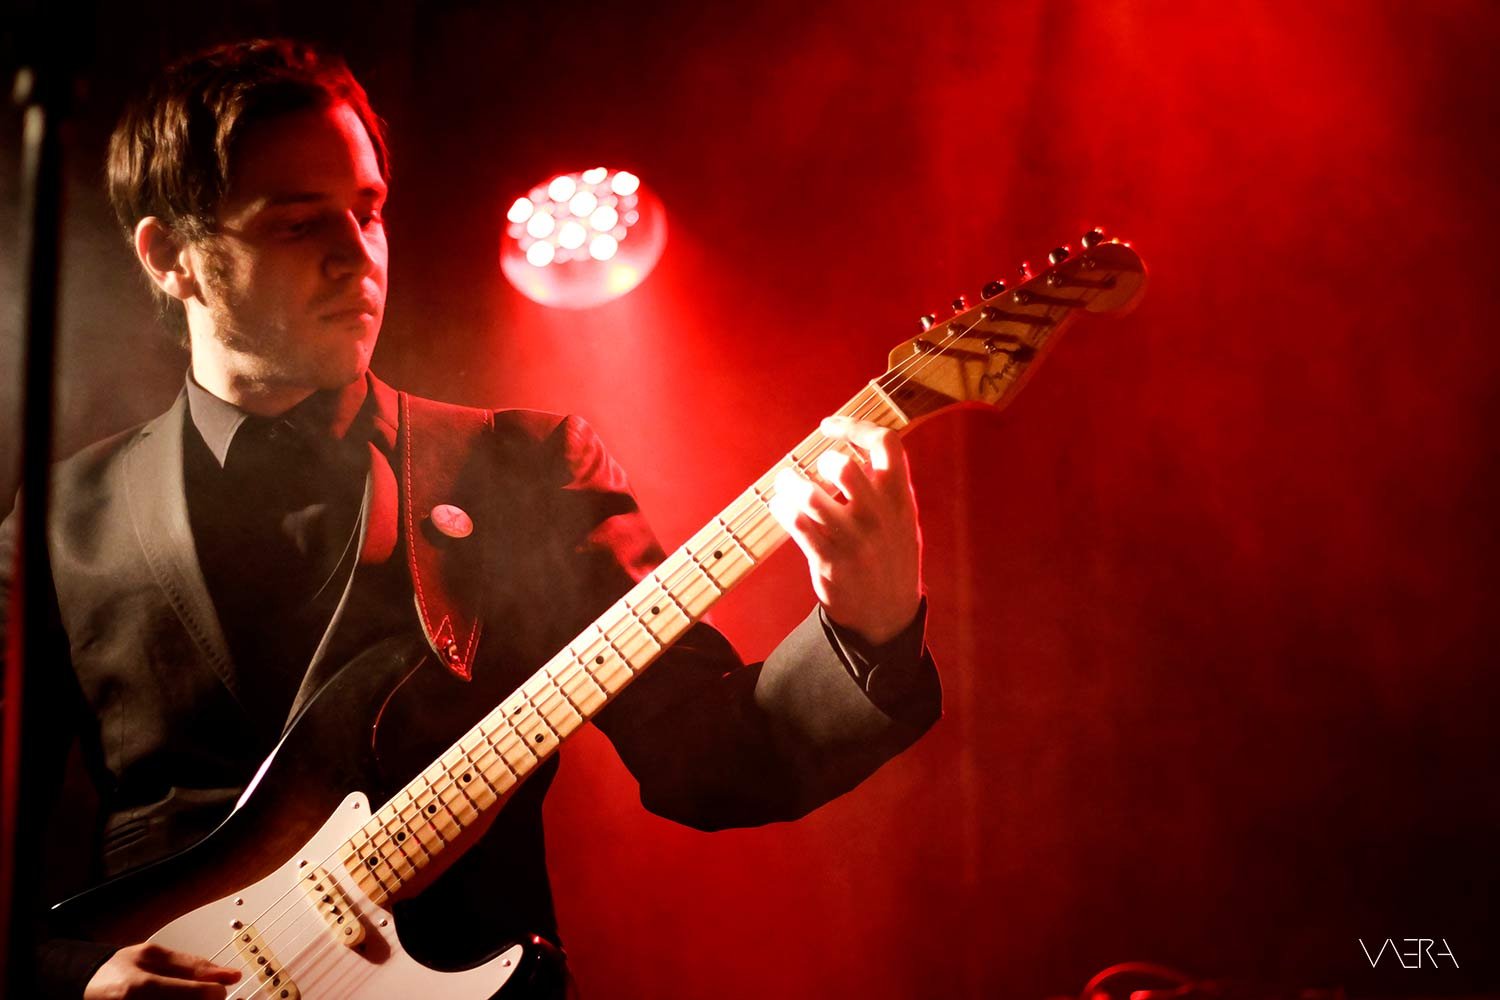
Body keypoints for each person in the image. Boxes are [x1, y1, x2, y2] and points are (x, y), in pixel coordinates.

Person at [0, 39, 942, 999]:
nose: (356, 256)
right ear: (170, 256)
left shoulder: (522, 469)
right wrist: (79, 977)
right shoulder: (66, 522)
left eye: (369, 211)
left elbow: (714, 760)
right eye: (298, 224)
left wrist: (869, 625)